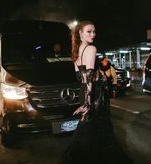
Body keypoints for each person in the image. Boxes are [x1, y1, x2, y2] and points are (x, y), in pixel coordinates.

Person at [61, 20, 131, 164]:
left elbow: (82, 78)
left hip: (85, 94)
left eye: (94, 31)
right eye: (89, 31)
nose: (93, 34)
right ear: (80, 33)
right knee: (99, 130)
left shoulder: (77, 49)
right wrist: (88, 103)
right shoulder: (91, 49)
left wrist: (84, 101)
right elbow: (88, 79)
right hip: (94, 96)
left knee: (89, 129)